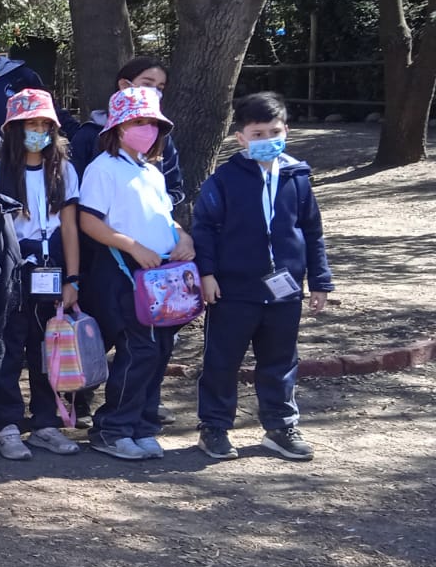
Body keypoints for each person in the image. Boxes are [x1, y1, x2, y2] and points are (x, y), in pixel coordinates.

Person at [194, 92, 333, 462]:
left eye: (274, 131)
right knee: (222, 361)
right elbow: (204, 228)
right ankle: (214, 428)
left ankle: (280, 426)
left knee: (280, 360)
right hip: (233, 290)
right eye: (257, 134)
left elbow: (312, 231)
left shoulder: (297, 175)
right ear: (240, 137)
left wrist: (320, 280)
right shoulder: (223, 179)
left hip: (284, 291)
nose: (266, 140)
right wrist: (206, 274)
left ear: (286, 130)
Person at [78, 88, 194, 461]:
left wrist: (183, 236)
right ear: (118, 126)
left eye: (153, 123)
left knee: (160, 350)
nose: (147, 129)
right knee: (139, 348)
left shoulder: (151, 171)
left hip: (160, 273)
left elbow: (163, 216)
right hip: (124, 272)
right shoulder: (103, 168)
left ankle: (141, 425)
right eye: (138, 121)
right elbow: (89, 220)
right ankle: (111, 428)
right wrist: (131, 246)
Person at [0, 90, 83, 460]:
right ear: (13, 130)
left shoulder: (65, 171)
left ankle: (46, 422)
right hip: (13, 268)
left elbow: (70, 227)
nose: (38, 131)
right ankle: (6, 423)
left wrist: (73, 279)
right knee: (8, 348)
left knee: (49, 347)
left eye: (44, 124)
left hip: (53, 265)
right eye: (30, 124)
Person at [69, 56, 185, 203]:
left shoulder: (160, 136)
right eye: (147, 84)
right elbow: (73, 192)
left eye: (160, 88)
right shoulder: (89, 135)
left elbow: (174, 188)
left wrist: (155, 204)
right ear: (124, 85)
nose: (154, 92)